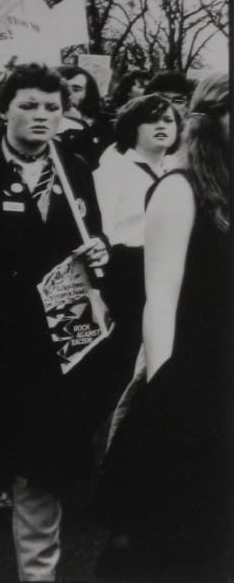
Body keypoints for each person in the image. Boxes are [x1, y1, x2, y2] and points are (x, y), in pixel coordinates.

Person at [0, 63, 109, 581]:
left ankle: (37, 573)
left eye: (51, 107)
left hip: (55, 338)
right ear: (4, 109)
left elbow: (91, 240)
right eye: (28, 105)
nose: (41, 116)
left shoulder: (76, 167)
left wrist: (98, 253)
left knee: (44, 461)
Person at [95, 72, 232, 581]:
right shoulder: (181, 189)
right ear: (213, 119)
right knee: (164, 538)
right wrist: (165, 389)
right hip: (190, 379)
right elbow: (161, 301)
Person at [93, 95, 181, 410]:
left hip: (173, 269)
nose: (161, 126)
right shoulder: (114, 170)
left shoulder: (180, 169)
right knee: (125, 360)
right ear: (133, 127)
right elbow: (103, 228)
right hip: (129, 270)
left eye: (168, 120)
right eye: (152, 120)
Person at [56, 64, 113, 167]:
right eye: (61, 88)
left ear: (87, 93)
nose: (68, 94)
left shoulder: (105, 124)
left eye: (76, 89)